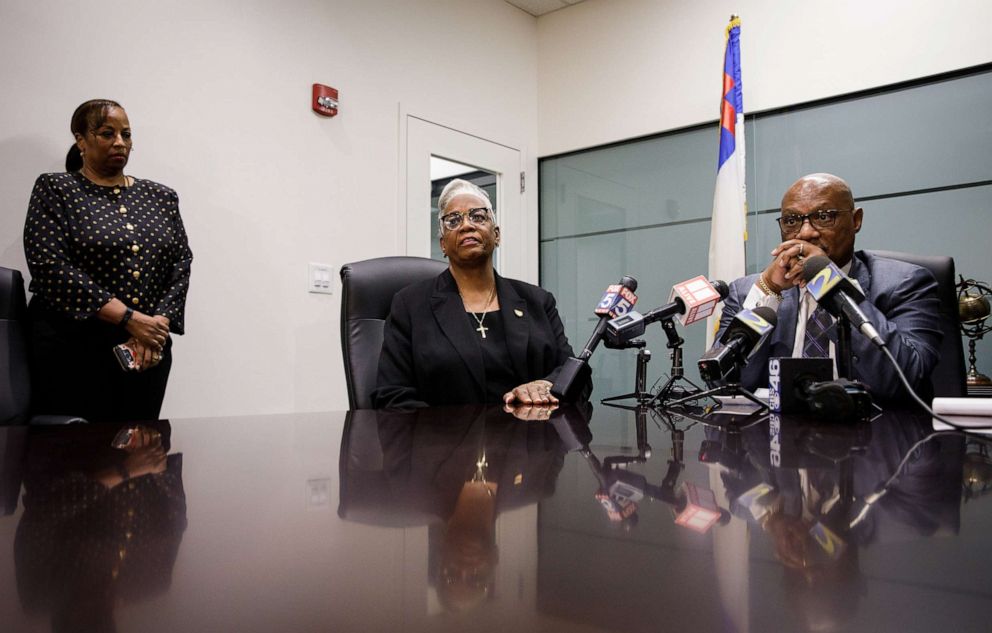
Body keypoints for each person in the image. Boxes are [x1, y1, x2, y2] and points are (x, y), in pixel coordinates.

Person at [22, 99, 192, 422]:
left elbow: (181, 263)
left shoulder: (161, 197)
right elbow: (49, 266)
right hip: (73, 347)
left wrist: (156, 327)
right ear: (81, 140)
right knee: (79, 460)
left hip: (146, 351)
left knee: (142, 455)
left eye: (126, 135)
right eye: (106, 133)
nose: (120, 142)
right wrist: (129, 318)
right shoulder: (57, 189)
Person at [717, 173, 942, 401]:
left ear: (856, 220)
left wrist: (833, 285)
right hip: (775, 431)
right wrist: (769, 290)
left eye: (824, 217)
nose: (806, 233)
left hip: (872, 431)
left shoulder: (905, 283)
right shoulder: (748, 291)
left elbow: (904, 380)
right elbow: (721, 381)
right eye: (792, 221)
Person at [372, 178, 589, 409]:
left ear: (496, 234)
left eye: (478, 216)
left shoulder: (538, 301)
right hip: (444, 442)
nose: (466, 225)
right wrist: (443, 440)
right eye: (453, 220)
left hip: (529, 440)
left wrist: (546, 385)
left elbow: (577, 377)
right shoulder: (409, 305)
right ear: (443, 244)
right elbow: (391, 396)